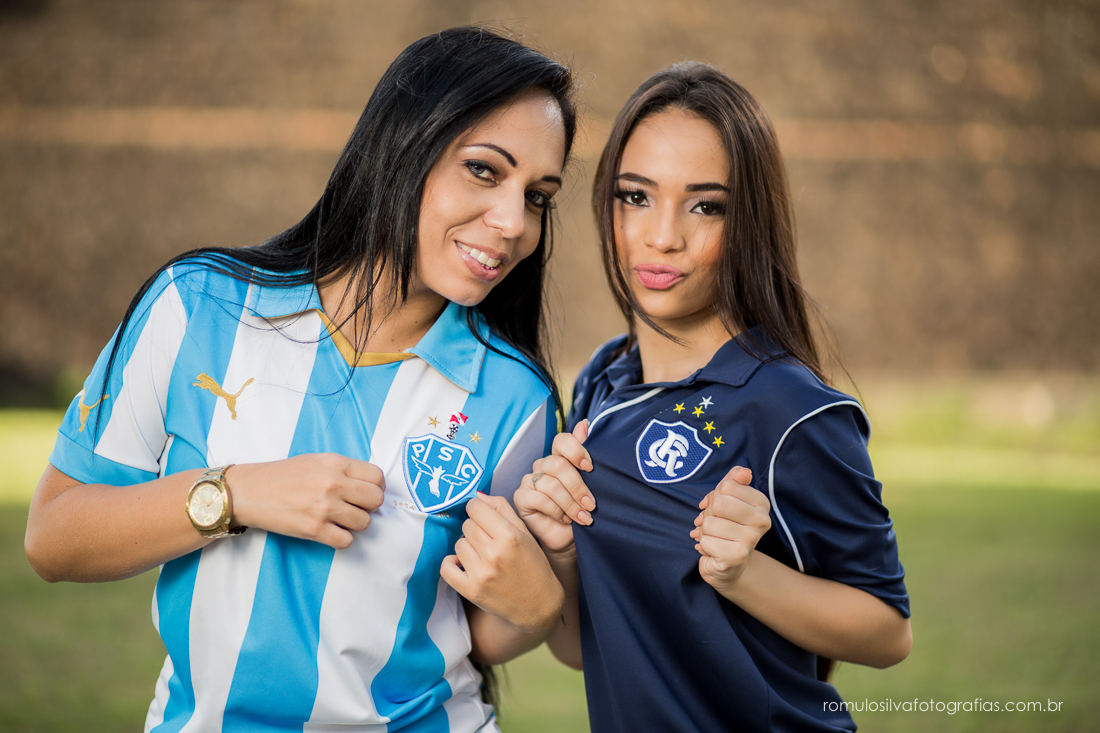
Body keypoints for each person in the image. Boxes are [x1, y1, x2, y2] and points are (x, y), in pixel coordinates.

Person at [25, 26, 577, 733]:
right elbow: (54, 536)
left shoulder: (516, 395)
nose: (512, 223)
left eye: (538, 196)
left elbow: (468, 633)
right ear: (404, 145)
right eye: (484, 170)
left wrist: (535, 608)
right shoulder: (198, 305)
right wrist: (235, 493)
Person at [514, 62, 912, 732]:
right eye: (635, 196)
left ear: (747, 221)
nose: (662, 235)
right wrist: (558, 553)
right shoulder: (601, 382)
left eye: (705, 206)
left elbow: (887, 632)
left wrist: (744, 575)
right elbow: (586, 649)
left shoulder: (788, 407)